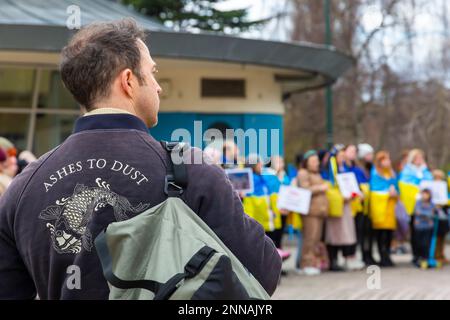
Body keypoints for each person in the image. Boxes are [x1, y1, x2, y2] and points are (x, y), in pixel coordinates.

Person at [0, 19, 281, 299]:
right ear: (128, 81)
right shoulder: (190, 169)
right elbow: (264, 272)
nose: (158, 87)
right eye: (153, 72)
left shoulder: (23, 187)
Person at [325, 147, 364, 271]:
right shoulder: (330, 171)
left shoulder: (345, 169)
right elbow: (330, 188)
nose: (343, 158)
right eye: (340, 156)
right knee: (334, 234)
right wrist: (341, 197)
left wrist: (355, 193)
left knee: (346, 233)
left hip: (347, 205)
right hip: (337, 205)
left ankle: (347, 258)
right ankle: (333, 260)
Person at [292, 150, 329, 276]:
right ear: (306, 162)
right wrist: (321, 188)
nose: (316, 163)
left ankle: (312, 263)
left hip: (319, 211)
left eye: (317, 161)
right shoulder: (303, 173)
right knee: (309, 239)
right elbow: (305, 189)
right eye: (313, 161)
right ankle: (305, 264)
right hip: (310, 211)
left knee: (316, 239)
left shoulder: (317, 174)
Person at [399, 149, 433, 264]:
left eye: (421, 158)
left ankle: (425, 255)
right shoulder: (407, 171)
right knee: (415, 232)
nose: (419, 160)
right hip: (414, 206)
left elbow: (430, 185)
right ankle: (416, 255)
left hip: (426, 207)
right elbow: (404, 187)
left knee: (426, 231)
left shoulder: (425, 171)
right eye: (417, 158)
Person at [369, 151, 399, 267]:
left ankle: (387, 255)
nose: (388, 162)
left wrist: (395, 192)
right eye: (385, 160)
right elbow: (375, 188)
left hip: (390, 207)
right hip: (380, 206)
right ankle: (382, 256)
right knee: (381, 233)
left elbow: (396, 187)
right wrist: (387, 192)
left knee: (389, 233)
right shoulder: (375, 173)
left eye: (388, 159)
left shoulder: (392, 173)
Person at [412, 189, 435, 268]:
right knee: (419, 243)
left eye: (426, 194)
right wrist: (427, 214)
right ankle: (418, 259)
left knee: (426, 244)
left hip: (428, 227)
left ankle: (426, 259)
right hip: (419, 227)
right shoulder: (418, 203)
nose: (425, 196)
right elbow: (417, 212)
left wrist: (423, 214)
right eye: (423, 194)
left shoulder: (432, 204)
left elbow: (432, 214)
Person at [432, 169, 449, 265]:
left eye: (440, 177)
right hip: (435, 213)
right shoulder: (430, 187)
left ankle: (441, 255)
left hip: (444, 212)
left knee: (443, 235)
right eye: (436, 177)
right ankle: (435, 255)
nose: (438, 179)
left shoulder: (444, 187)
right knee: (436, 236)